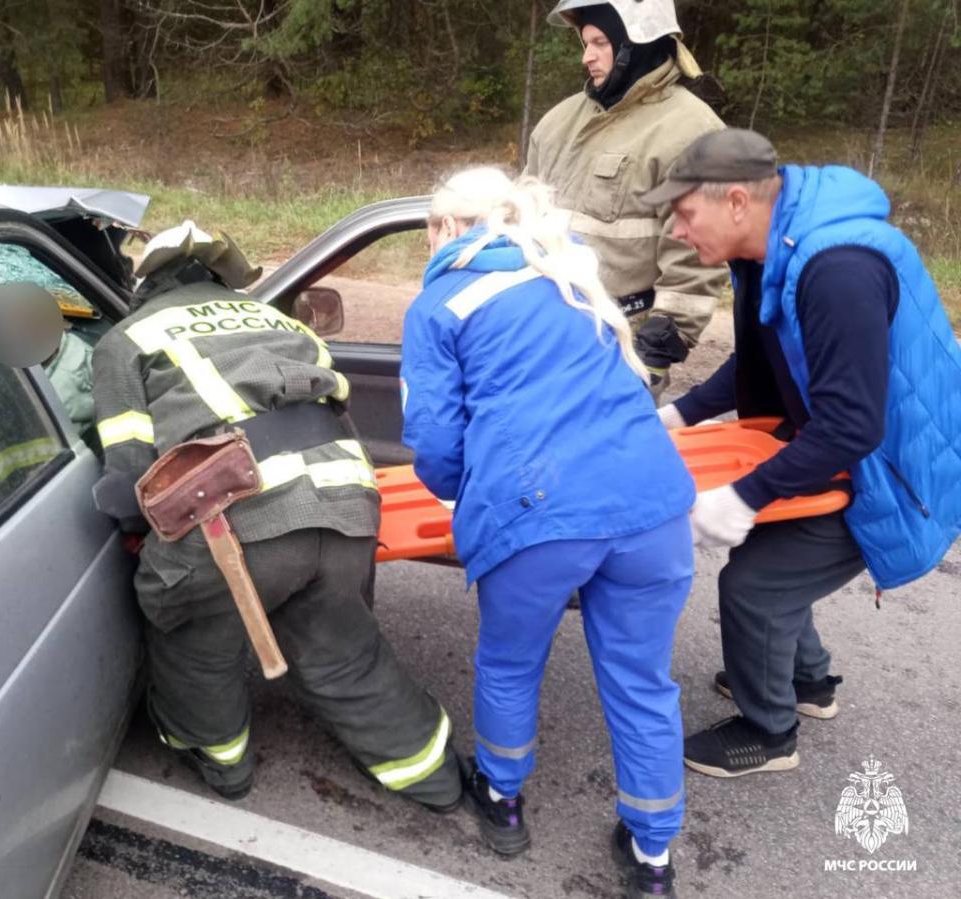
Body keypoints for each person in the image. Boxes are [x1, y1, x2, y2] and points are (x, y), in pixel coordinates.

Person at [90, 221, 463, 809]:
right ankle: (432, 774)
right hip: (348, 505)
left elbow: (129, 469)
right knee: (344, 648)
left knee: (191, 628)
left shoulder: (128, 339)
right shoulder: (283, 321)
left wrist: (135, 533)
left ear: (147, 285)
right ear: (221, 279)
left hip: (236, 520)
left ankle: (221, 761)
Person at [401, 168, 694, 896]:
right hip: (652, 504)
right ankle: (653, 854)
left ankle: (503, 803)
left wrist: (470, 494)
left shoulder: (442, 300)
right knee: (642, 680)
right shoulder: (569, 272)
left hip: (538, 510)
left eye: (431, 227)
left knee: (508, 662)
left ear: (447, 228)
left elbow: (435, 444)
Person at [641, 129, 961, 777]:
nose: (676, 233)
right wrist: (676, 415)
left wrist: (743, 496)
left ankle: (769, 732)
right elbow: (757, 362)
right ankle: (808, 682)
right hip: (860, 441)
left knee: (754, 584)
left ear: (736, 201)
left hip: (898, 468)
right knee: (774, 556)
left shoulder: (836, 268)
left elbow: (851, 426)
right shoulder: (767, 250)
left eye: (683, 213)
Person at [525, 0, 728, 402]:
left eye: (600, 43)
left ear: (638, 42)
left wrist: (654, 351)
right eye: (585, 43)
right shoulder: (557, 123)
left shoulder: (693, 133)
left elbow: (697, 261)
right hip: (540, 338)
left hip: (617, 350)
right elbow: (521, 223)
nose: (587, 57)